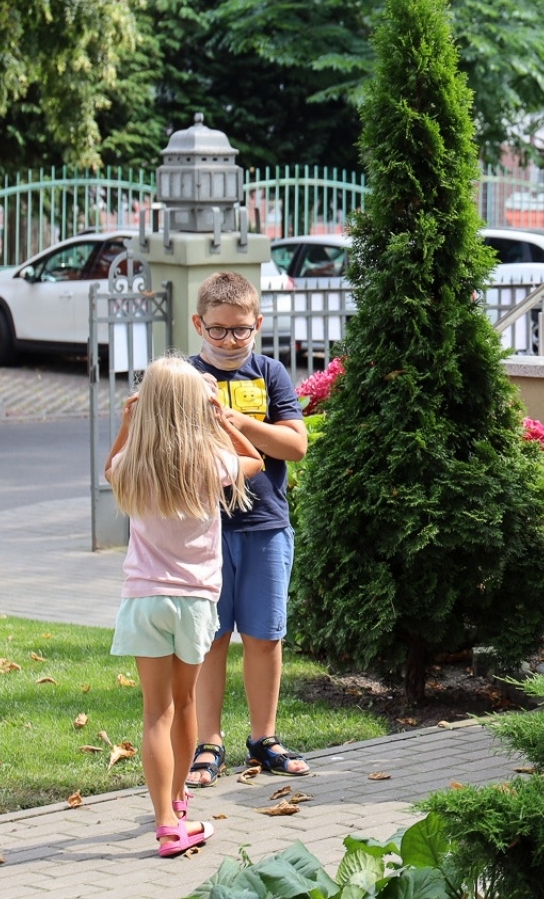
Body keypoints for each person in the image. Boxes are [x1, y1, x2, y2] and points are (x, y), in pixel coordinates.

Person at [105, 355, 266, 857]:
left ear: (146, 405)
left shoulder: (134, 465)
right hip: (195, 601)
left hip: (143, 600)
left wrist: (127, 426)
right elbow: (256, 463)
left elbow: (110, 468)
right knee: (186, 704)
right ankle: (179, 803)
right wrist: (224, 422)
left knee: (155, 712)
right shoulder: (209, 462)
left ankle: (164, 823)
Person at [185, 272, 310, 788]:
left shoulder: (271, 374)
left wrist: (233, 419)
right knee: (211, 640)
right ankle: (207, 742)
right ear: (198, 325)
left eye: (241, 330)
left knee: (264, 636)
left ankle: (264, 738)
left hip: (266, 526)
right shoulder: (184, 379)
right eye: (218, 331)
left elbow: (294, 445)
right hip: (202, 532)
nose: (231, 341)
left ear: (257, 325)